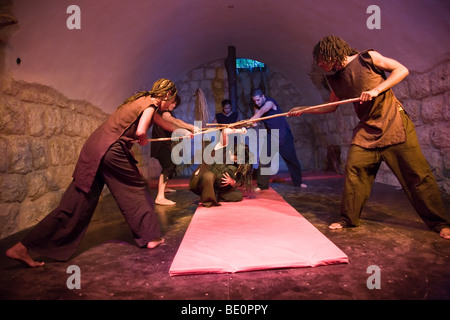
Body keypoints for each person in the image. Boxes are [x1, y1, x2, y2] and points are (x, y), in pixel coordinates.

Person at [289, 35, 450, 239]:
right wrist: (304, 109)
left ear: (332, 51)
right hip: (367, 129)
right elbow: (331, 107)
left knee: (416, 175)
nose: (321, 64)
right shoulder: (334, 79)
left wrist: (376, 90)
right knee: (355, 171)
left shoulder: (367, 58)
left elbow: (402, 69)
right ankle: (348, 219)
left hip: (393, 123)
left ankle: (440, 223)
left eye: (321, 59)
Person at [5, 79, 178, 267]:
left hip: (95, 148)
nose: (171, 105)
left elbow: (166, 124)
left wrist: (190, 129)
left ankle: (22, 247)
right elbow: (141, 131)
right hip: (111, 150)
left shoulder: (141, 100)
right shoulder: (151, 103)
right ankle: (150, 237)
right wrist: (143, 139)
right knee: (136, 188)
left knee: (77, 203)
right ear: (168, 95)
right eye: (172, 101)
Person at [250, 88, 307, 190]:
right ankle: (262, 186)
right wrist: (253, 123)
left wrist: (252, 120)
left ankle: (299, 182)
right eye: (254, 101)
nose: (257, 102)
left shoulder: (270, 102)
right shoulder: (256, 107)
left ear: (263, 96)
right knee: (264, 161)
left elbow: (262, 111)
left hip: (283, 135)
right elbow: (257, 119)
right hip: (271, 136)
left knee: (292, 160)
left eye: (258, 100)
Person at [151, 95, 200, 206]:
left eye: (175, 104)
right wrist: (190, 127)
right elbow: (174, 121)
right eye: (173, 103)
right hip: (161, 145)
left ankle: (164, 189)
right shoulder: (164, 113)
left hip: (166, 145)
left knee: (170, 166)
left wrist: (186, 132)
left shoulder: (166, 112)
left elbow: (174, 127)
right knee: (169, 166)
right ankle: (160, 197)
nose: (173, 105)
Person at [189, 139, 253, 208]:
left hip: (218, 187)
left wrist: (232, 182)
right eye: (235, 158)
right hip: (204, 180)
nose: (236, 160)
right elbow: (224, 133)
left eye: (238, 159)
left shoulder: (236, 163)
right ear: (232, 152)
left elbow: (239, 180)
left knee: (238, 196)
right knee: (209, 176)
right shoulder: (221, 151)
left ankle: (213, 195)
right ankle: (209, 201)